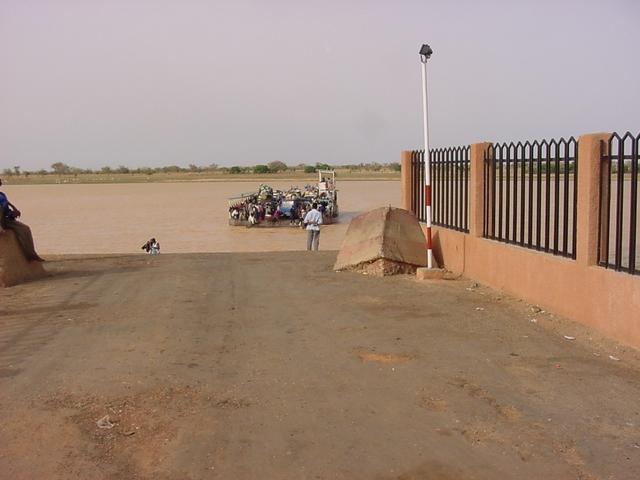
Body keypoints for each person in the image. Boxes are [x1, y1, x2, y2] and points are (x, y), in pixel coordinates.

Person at [0, 178, 44, 262]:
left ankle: (31, 255)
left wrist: (12, 212)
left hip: (5, 220)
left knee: (25, 229)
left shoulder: (2, 195)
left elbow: (6, 208)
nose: (1, 182)